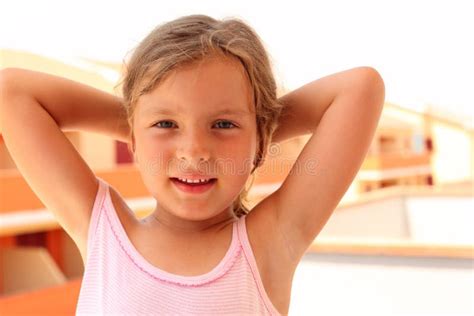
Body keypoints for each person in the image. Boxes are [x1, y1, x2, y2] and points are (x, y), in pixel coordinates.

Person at [0, 14, 385, 315]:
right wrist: (141, 121)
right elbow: (12, 92)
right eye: (166, 124)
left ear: (260, 141)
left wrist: (256, 132)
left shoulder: (268, 243)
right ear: (133, 136)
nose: (194, 151)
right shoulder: (104, 234)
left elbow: (360, 88)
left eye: (222, 124)